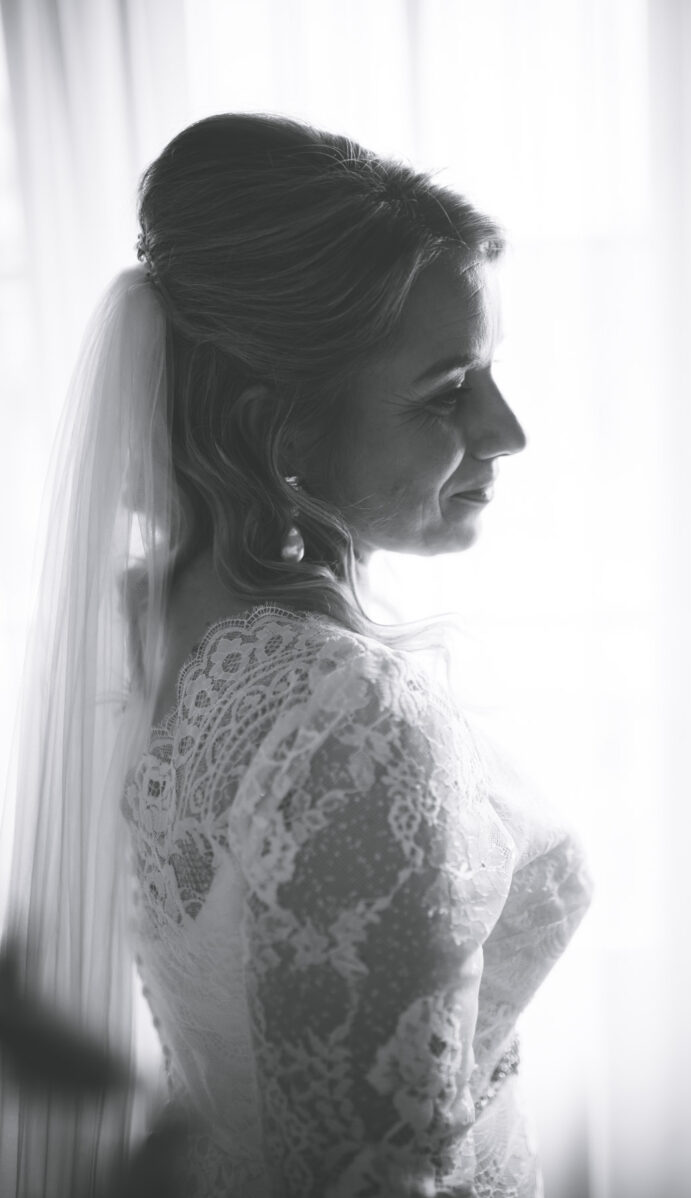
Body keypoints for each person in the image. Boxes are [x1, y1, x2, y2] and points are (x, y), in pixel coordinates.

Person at [0, 114, 592, 1197]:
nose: (506, 430)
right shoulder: (352, 720)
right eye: (447, 389)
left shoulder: (142, 623)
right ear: (282, 432)